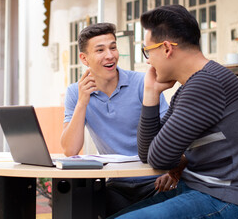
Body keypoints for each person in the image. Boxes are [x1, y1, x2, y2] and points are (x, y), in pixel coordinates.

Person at [111, 5, 238, 219]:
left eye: (147, 51)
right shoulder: (190, 87)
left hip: (225, 201)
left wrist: (172, 159)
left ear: (166, 48)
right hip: (198, 191)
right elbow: (147, 153)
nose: (147, 60)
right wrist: (151, 93)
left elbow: (159, 158)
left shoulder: (207, 83)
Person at [60, 22, 171, 216]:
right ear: (84, 59)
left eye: (113, 47)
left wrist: (172, 170)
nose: (110, 55)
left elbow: (170, 133)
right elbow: (70, 149)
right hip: (117, 184)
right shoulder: (75, 92)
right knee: (78, 205)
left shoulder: (142, 83)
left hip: (155, 180)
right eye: (100, 50)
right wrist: (82, 102)